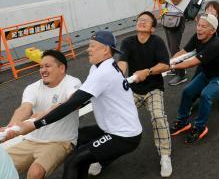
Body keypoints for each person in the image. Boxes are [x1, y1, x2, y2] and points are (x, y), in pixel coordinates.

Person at [11, 31, 142, 179]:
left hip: (123, 135)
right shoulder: (100, 67)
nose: (88, 49)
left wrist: (36, 124)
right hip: (114, 127)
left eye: (92, 46)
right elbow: (79, 98)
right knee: (78, 139)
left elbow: (73, 104)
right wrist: (47, 111)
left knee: (74, 160)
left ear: (105, 49)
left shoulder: (103, 72)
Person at [2, 50, 81, 179]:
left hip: (60, 141)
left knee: (35, 172)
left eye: (47, 66)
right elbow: (24, 108)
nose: (42, 70)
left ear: (61, 68)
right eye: (41, 66)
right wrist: (12, 127)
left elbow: (74, 102)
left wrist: (44, 114)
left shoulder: (72, 83)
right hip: (31, 140)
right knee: (2, 165)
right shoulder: (33, 87)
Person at [117, 11, 172, 177]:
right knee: (117, 119)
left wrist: (147, 71)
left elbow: (165, 65)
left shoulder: (157, 42)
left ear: (153, 28)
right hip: (133, 91)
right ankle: (102, 157)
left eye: (146, 21)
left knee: (158, 117)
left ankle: (165, 156)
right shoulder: (127, 42)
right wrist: (115, 78)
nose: (141, 22)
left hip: (153, 88)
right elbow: (122, 64)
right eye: (139, 19)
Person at [169, 14, 219, 144]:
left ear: (212, 31)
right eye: (198, 25)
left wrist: (170, 66)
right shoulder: (197, 37)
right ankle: (182, 122)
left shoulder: (215, 45)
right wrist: (170, 60)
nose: (199, 28)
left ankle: (200, 127)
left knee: (206, 95)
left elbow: (192, 62)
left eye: (203, 26)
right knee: (187, 91)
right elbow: (183, 52)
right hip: (207, 73)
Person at [159, 0, 191, 86]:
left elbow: (177, 0)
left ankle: (181, 74)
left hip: (177, 19)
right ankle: (176, 68)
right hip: (168, 18)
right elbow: (164, 1)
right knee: (170, 46)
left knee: (174, 48)